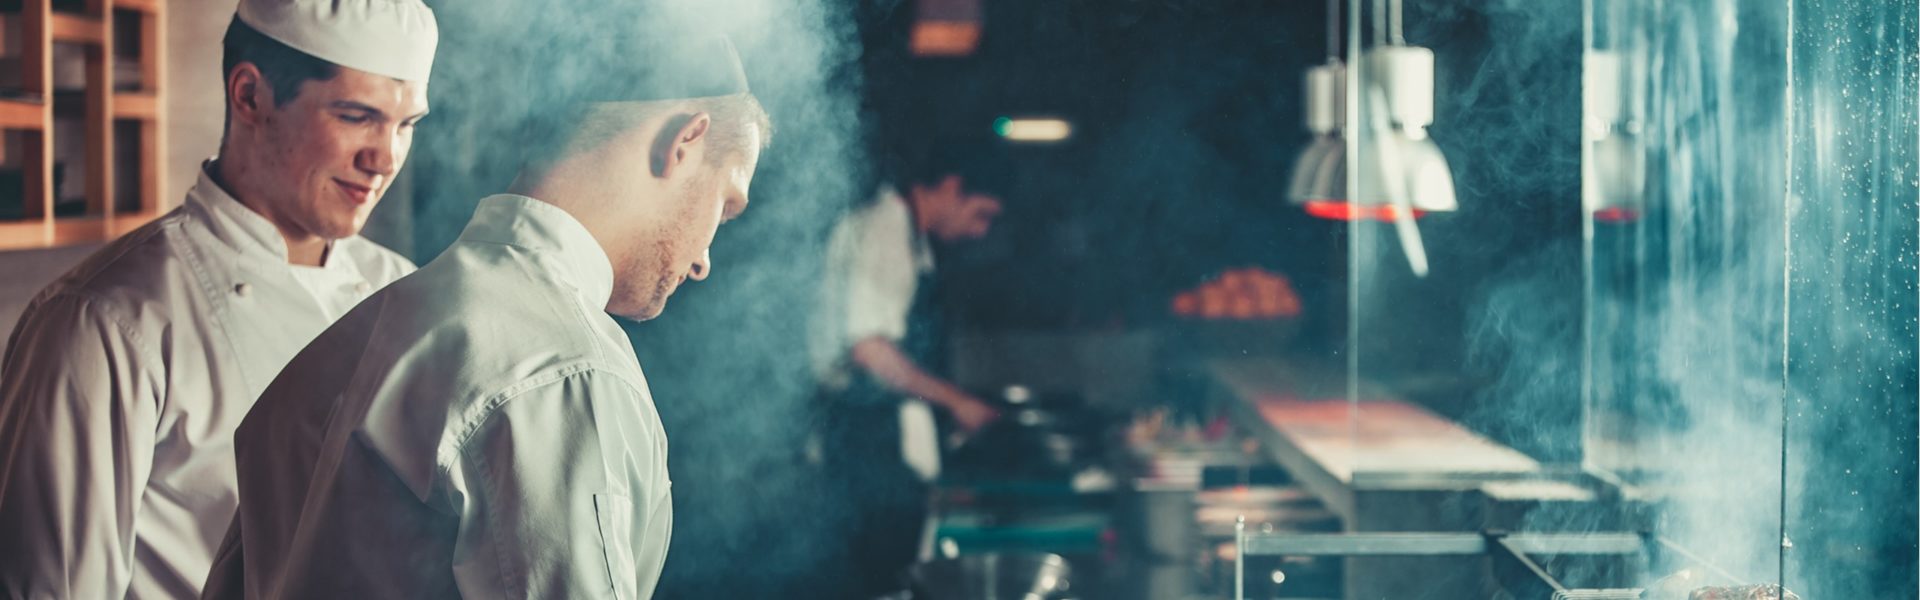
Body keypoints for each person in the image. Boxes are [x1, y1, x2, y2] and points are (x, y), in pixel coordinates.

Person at [198, 30, 770, 599]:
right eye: (725, 206)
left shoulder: (348, 338)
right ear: (685, 141)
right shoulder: (565, 370)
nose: (703, 262)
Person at [0, 0, 435, 596]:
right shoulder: (104, 323)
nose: (385, 159)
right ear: (250, 96)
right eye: (356, 116)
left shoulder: (403, 290)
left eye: (406, 124)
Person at [809, 144, 1008, 597]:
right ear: (952, 187)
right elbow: (870, 351)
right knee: (883, 582)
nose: (980, 232)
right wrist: (958, 402)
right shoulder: (885, 230)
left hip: (877, 438)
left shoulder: (910, 239)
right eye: (981, 214)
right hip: (866, 439)